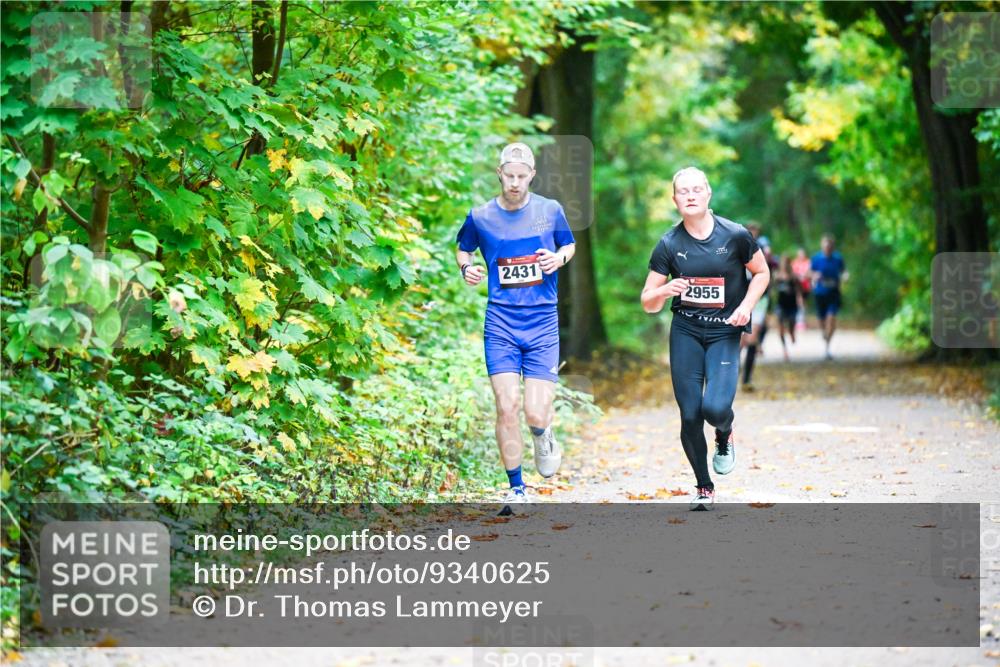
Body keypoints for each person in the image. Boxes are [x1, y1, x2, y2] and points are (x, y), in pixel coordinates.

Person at [641, 167, 769, 511]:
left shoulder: (736, 235)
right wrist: (667, 289)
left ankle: (724, 433)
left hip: (725, 329)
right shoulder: (669, 243)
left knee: (714, 408)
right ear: (675, 200)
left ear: (708, 194)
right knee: (689, 414)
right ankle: (704, 486)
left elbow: (761, 273)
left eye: (697, 189)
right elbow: (648, 301)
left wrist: (746, 306)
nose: (691, 195)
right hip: (686, 331)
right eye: (684, 191)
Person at [456, 142, 576, 507]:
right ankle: (516, 487)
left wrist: (559, 258)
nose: (515, 182)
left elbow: (568, 245)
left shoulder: (548, 211)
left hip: (541, 321)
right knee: (506, 405)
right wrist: (467, 267)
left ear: (532, 176)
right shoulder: (480, 216)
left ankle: (543, 434)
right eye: (509, 175)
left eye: (522, 176)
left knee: (534, 412)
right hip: (501, 322)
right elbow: (464, 248)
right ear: (499, 173)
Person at [740, 229, 776, 390]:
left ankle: (746, 379)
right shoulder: (736, 246)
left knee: (752, 338)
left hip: (760, 299)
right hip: (739, 298)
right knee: (740, 341)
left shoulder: (762, 244)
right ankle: (731, 372)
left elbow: (770, 257)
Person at [810, 234, 847, 360]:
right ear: (822, 246)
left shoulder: (838, 259)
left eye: (829, 246)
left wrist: (845, 276)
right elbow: (808, 272)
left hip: (833, 292)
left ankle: (827, 345)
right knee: (821, 320)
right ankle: (824, 333)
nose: (827, 248)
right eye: (825, 246)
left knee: (831, 319)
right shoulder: (816, 258)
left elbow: (843, 271)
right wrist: (814, 275)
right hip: (820, 293)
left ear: (832, 247)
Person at [774, 254, 804, 361]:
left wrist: (800, 299)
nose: (784, 265)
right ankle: (785, 350)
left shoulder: (793, 277)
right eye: (783, 263)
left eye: (786, 263)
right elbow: (772, 287)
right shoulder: (777, 276)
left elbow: (799, 290)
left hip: (792, 305)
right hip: (781, 305)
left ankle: (792, 332)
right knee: (780, 328)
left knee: (791, 324)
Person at [791, 247, 811, 332]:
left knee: (803, 303)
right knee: (799, 301)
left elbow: (809, 272)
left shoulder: (808, 262)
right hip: (797, 287)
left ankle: (802, 320)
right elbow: (792, 273)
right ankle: (799, 321)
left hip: (805, 286)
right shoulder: (794, 263)